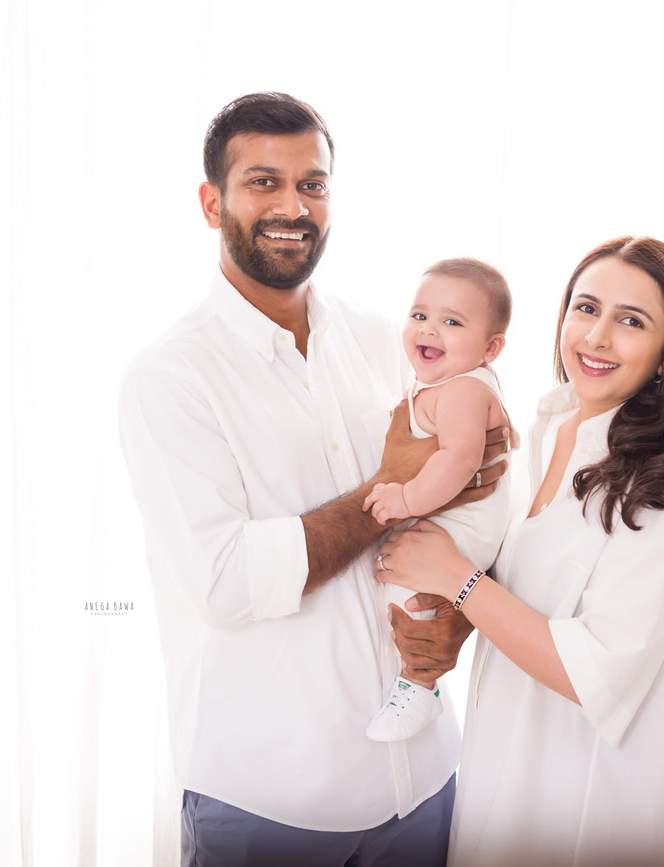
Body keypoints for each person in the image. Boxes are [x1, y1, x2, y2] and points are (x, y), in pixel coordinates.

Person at [117, 92, 510, 867]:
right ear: (211, 202)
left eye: (314, 185)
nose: (293, 205)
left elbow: (475, 492)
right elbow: (226, 582)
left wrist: (462, 616)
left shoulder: (389, 341)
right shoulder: (170, 378)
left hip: (425, 781)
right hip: (270, 801)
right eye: (263, 182)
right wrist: (385, 495)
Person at [376, 236, 664, 865]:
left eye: (631, 321)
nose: (596, 337)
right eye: (585, 307)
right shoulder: (550, 429)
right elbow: (525, 596)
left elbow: (593, 670)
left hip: (604, 804)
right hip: (509, 770)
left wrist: (457, 578)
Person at [361, 258, 514, 742]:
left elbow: (461, 458)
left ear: (490, 348)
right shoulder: (442, 385)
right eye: (420, 314)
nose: (430, 330)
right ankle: (409, 682)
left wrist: (406, 497)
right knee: (399, 582)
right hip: (453, 523)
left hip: (463, 531)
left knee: (411, 590)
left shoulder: (465, 389)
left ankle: (419, 685)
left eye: (452, 322)